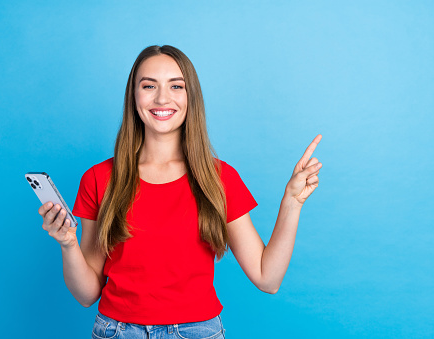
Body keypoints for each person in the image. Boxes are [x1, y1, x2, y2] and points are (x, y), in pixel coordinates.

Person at [38, 45, 322, 339]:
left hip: (198, 332)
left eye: (176, 86)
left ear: (191, 98)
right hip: (117, 332)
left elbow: (268, 278)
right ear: (133, 96)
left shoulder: (219, 178)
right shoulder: (99, 179)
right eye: (149, 86)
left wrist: (292, 202)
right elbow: (86, 294)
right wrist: (68, 243)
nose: (162, 98)